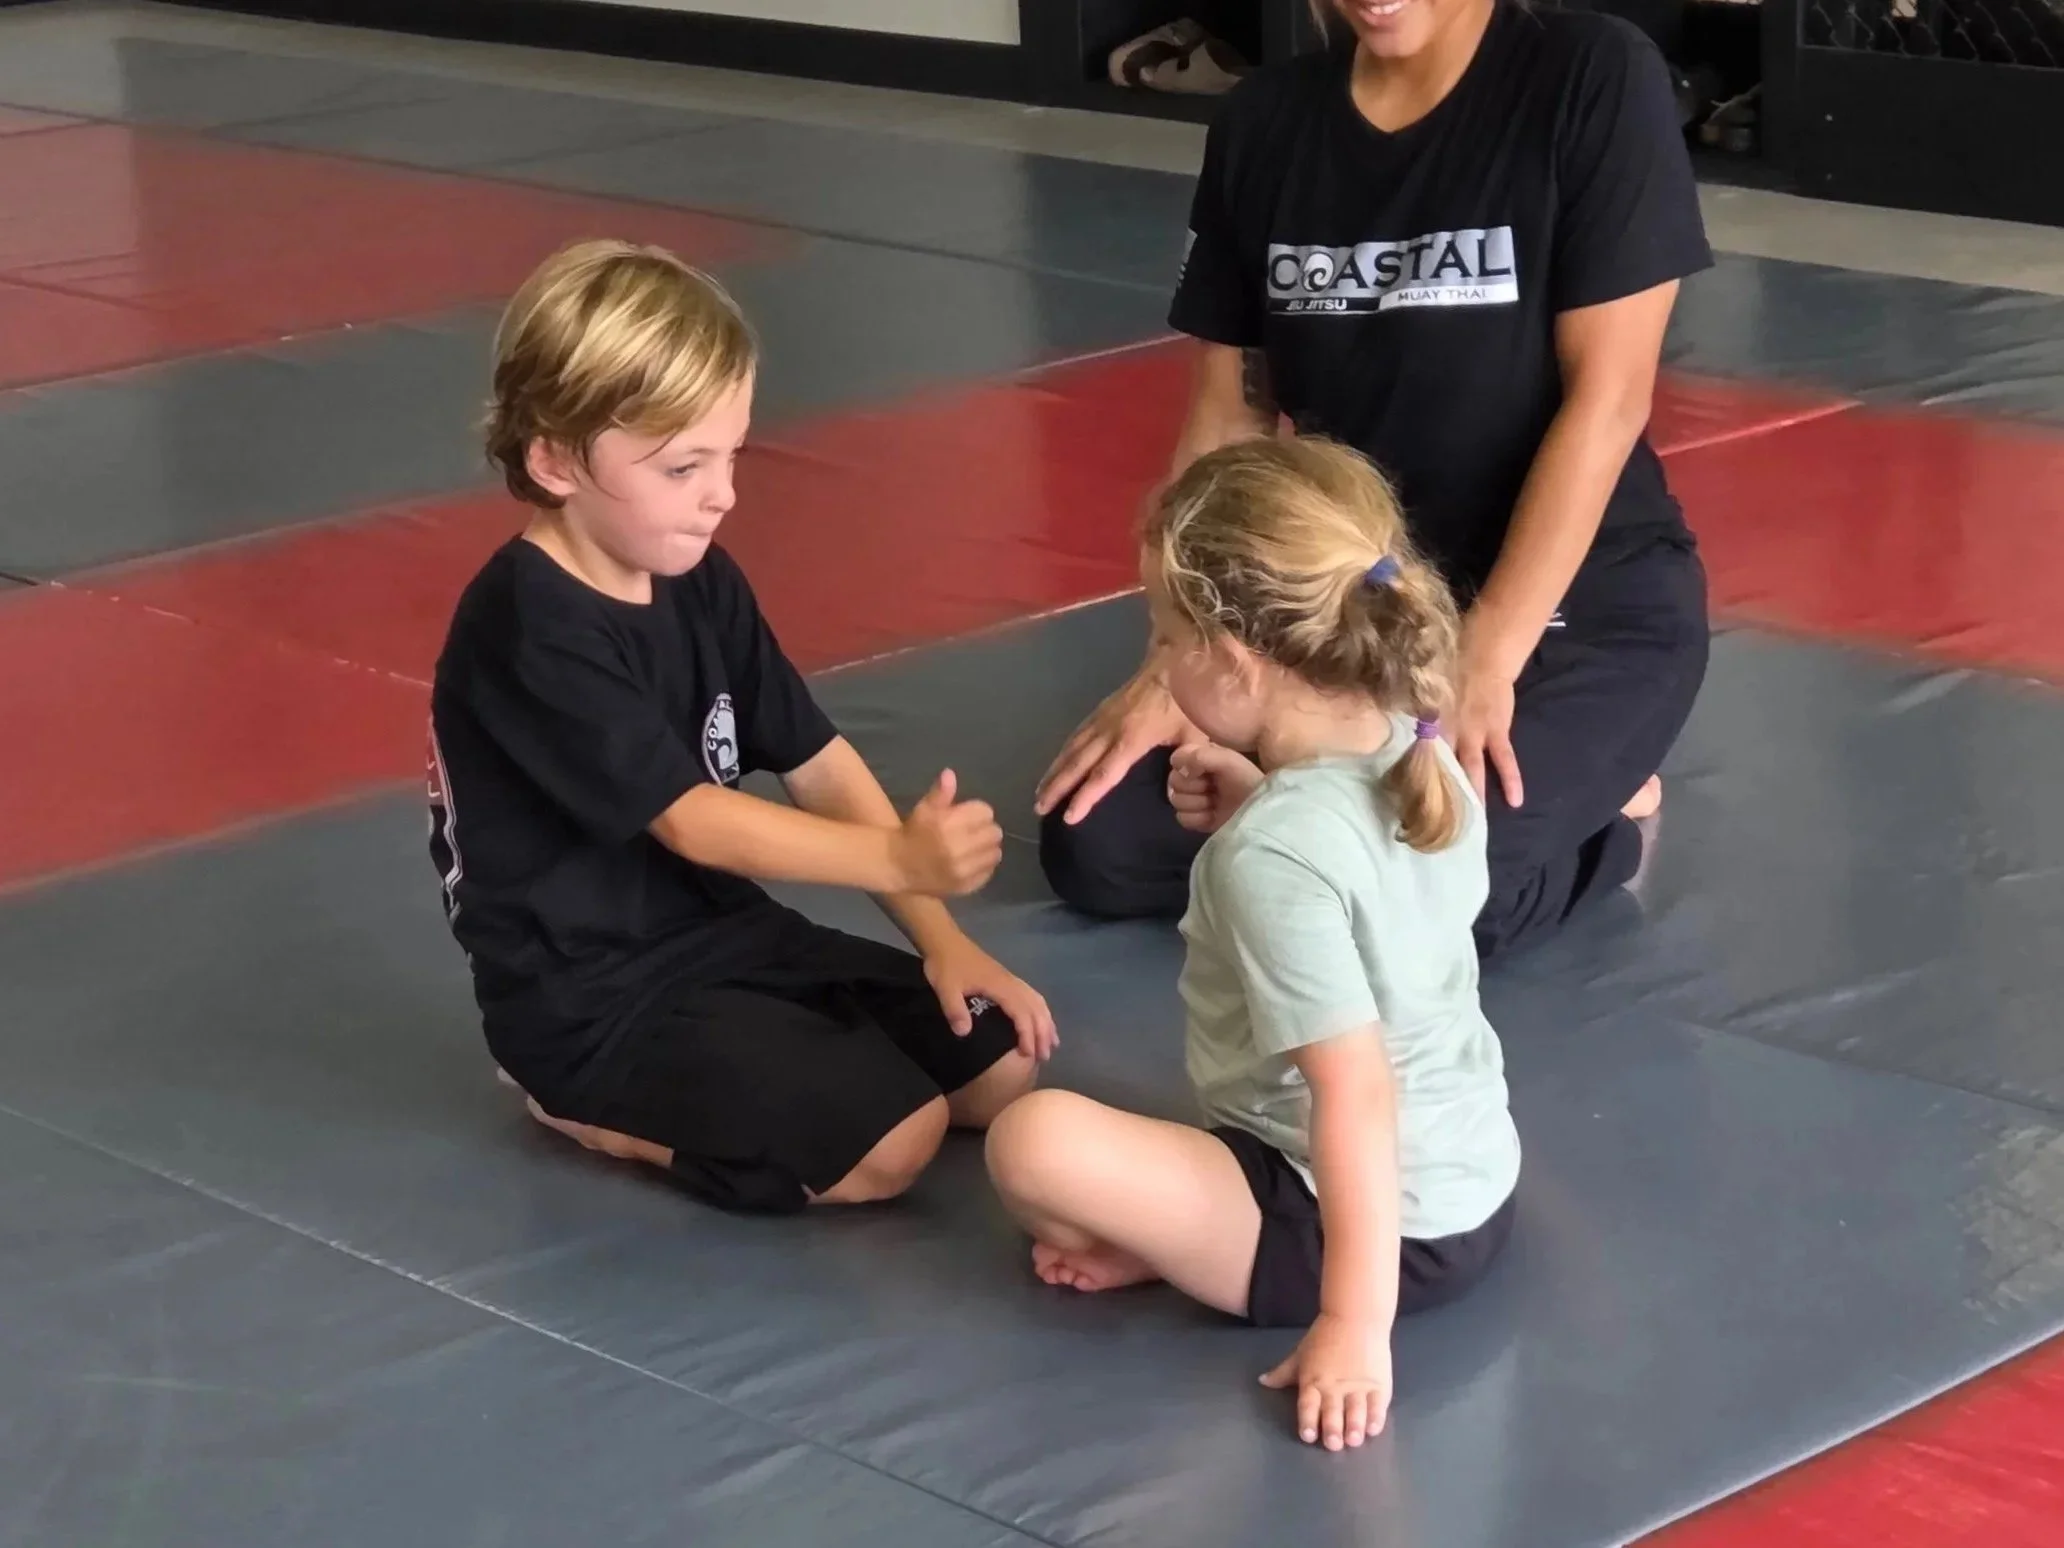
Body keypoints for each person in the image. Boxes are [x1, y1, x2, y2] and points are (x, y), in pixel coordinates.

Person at [1036, 0, 1712, 960]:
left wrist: (1484, 663)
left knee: (1446, 894)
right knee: (1096, 846)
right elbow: (1228, 416)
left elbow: (1607, 402)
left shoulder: (1589, 77)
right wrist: (1181, 655)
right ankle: (1317, 820)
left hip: (1573, 605)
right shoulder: (1267, 122)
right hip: (1347, 603)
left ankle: (1607, 819)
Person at [427, 240, 1054, 1214]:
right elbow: (695, 823)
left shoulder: (697, 577)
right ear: (554, 460)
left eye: (730, 455)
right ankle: (576, 1105)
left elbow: (814, 759)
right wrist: (897, 859)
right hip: (594, 1000)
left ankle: (783, 1055)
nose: (723, 493)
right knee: (893, 1145)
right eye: (683, 466)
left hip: (727, 940)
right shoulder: (529, 623)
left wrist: (942, 938)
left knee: (999, 1059)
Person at [987, 438, 1521, 1451]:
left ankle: (1207, 1254)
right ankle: (1191, 1244)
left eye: (1162, 633)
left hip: (1366, 1236)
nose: (1157, 652)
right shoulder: (1418, 739)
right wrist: (1258, 796)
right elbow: (1372, 889)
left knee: (1033, 1145)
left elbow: (1353, 1092)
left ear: (1230, 662)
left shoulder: (1276, 857)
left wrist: (1353, 1326)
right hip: (1469, 1187)